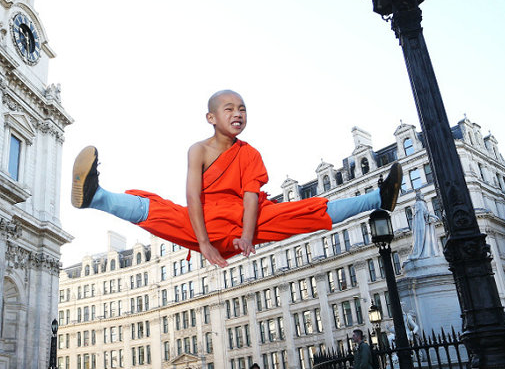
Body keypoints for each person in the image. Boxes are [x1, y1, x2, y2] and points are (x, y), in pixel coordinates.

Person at [71, 90, 403, 267]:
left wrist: (246, 237)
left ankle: (378, 199)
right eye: (229, 108)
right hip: (204, 221)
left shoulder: (249, 153)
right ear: (211, 117)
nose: (238, 113)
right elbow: (191, 196)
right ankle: (95, 195)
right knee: (160, 210)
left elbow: (249, 196)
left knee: (303, 212)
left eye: (242, 108)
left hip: (246, 219)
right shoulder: (197, 150)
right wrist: (203, 244)